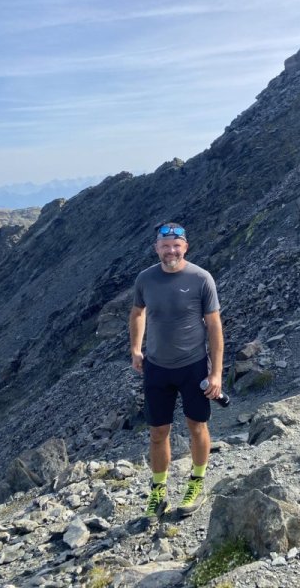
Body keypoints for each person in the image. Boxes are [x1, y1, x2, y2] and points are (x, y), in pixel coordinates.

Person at [129, 222, 224, 521]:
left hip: (193, 366)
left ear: (185, 247)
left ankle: (197, 482)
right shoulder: (145, 279)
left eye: (176, 245)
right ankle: (158, 490)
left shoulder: (201, 278)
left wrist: (216, 374)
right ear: (156, 248)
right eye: (165, 246)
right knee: (158, 432)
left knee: (197, 426)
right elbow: (138, 312)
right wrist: (136, 348)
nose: (171, 251)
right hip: (156, 367)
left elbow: (214, 326)